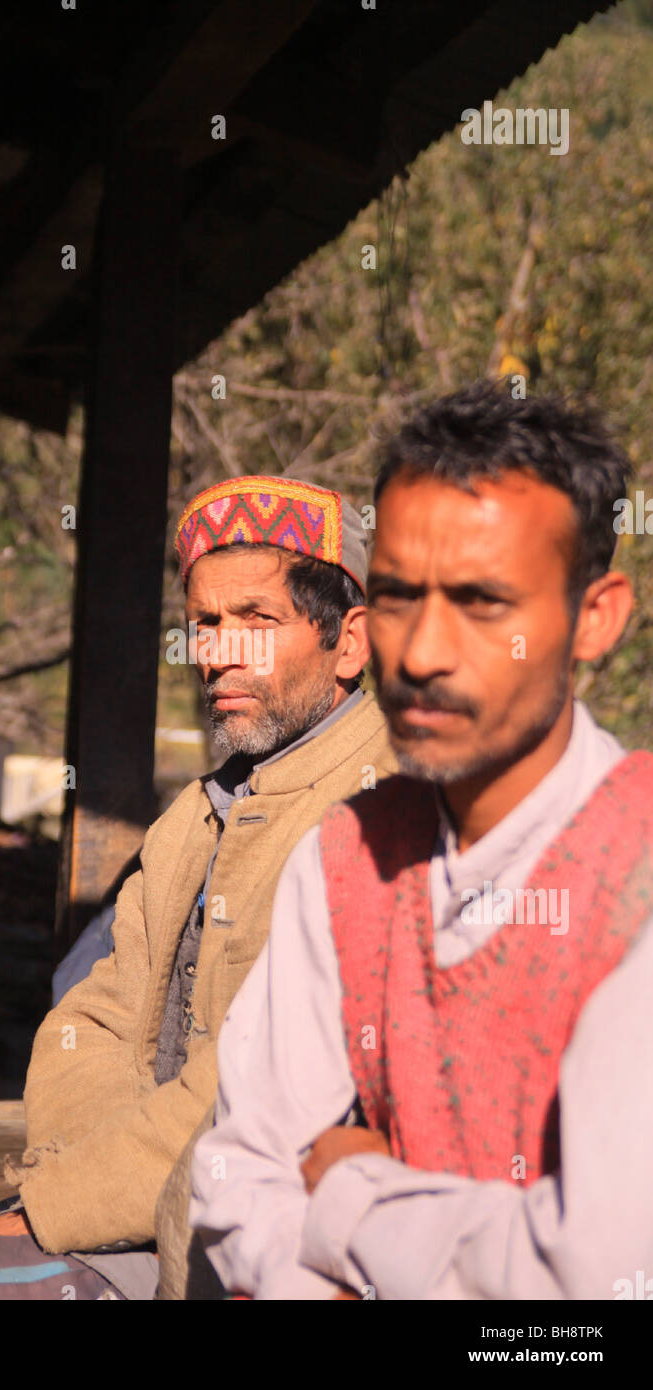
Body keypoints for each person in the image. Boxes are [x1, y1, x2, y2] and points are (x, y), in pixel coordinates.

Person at [0, 474, 394, 1300]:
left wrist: (54, 1212)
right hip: (105, 1219)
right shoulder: (197, 813)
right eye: (206, 623)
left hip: (231, 1255)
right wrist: (75, 1200)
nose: (218, 652)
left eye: (257, 621)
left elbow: (253, 1085)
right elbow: (93, 1014)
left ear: (348, 642)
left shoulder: (376, 817)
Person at [191, 381, 653, 1300]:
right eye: (400, 596)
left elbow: (594, 1280)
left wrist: (355, 1192)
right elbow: (239, 1177)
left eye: (483, 602)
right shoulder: (347, 856)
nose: (423, 653)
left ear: (595, 617)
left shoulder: (635, 868)